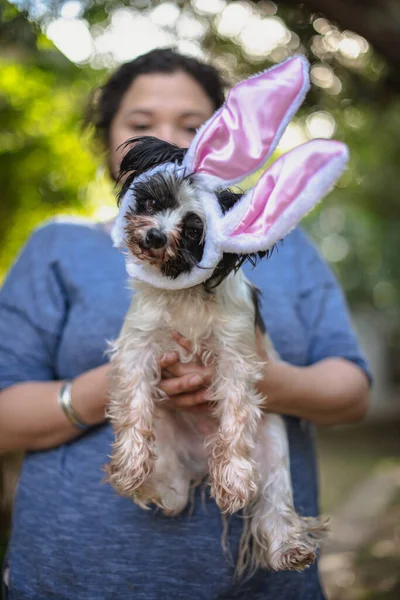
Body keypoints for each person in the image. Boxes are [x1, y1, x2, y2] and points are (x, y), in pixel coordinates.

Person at [0, 48, 370, 600]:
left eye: (194, 126)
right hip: (72, 578)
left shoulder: (272, 248)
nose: (170, 141)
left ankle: (277, 526)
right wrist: (130, 382)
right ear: (111, 141)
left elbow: (354, 393)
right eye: (142, 124)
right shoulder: (56, 247)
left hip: (260, 590)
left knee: (266, 442)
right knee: (161, 476)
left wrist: (260, 377)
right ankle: (156, 477)